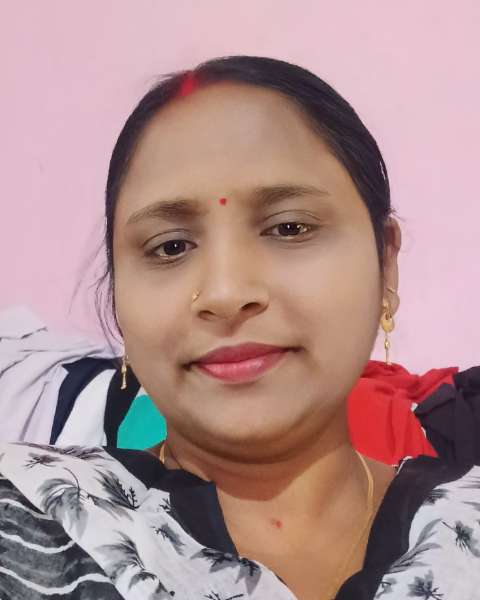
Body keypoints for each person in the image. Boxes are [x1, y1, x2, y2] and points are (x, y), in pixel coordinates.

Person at [0, 54, 479, 600]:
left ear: (385, 264)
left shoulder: (464, 533)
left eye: (289, 228)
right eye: (170, 247)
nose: (226, 294)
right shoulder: (33, 514)